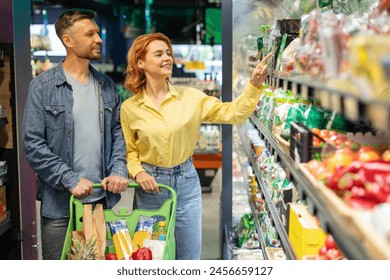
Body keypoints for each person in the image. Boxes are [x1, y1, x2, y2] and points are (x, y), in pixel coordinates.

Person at [120, 32, 272, 260]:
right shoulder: (130, 108)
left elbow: (233, 113)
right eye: (159, 54)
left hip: (186, 183)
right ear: (141, 63)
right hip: (150, 187)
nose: (168, 58)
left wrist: (254, 84)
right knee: (149, 256)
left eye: (168, 53)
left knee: (189, 256)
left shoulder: (191, 98)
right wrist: (138, 172)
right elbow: (131, 152)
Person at [22, 9, 129, 260]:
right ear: (68, 41)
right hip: (60, 207)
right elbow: (33, 144)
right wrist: (69, 179)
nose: (99, 39)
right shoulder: (42, 87)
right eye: (90, 34)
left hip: (101, 202)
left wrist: (118, 169)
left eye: (98, 33)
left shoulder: (107, 86)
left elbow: (118, 133)